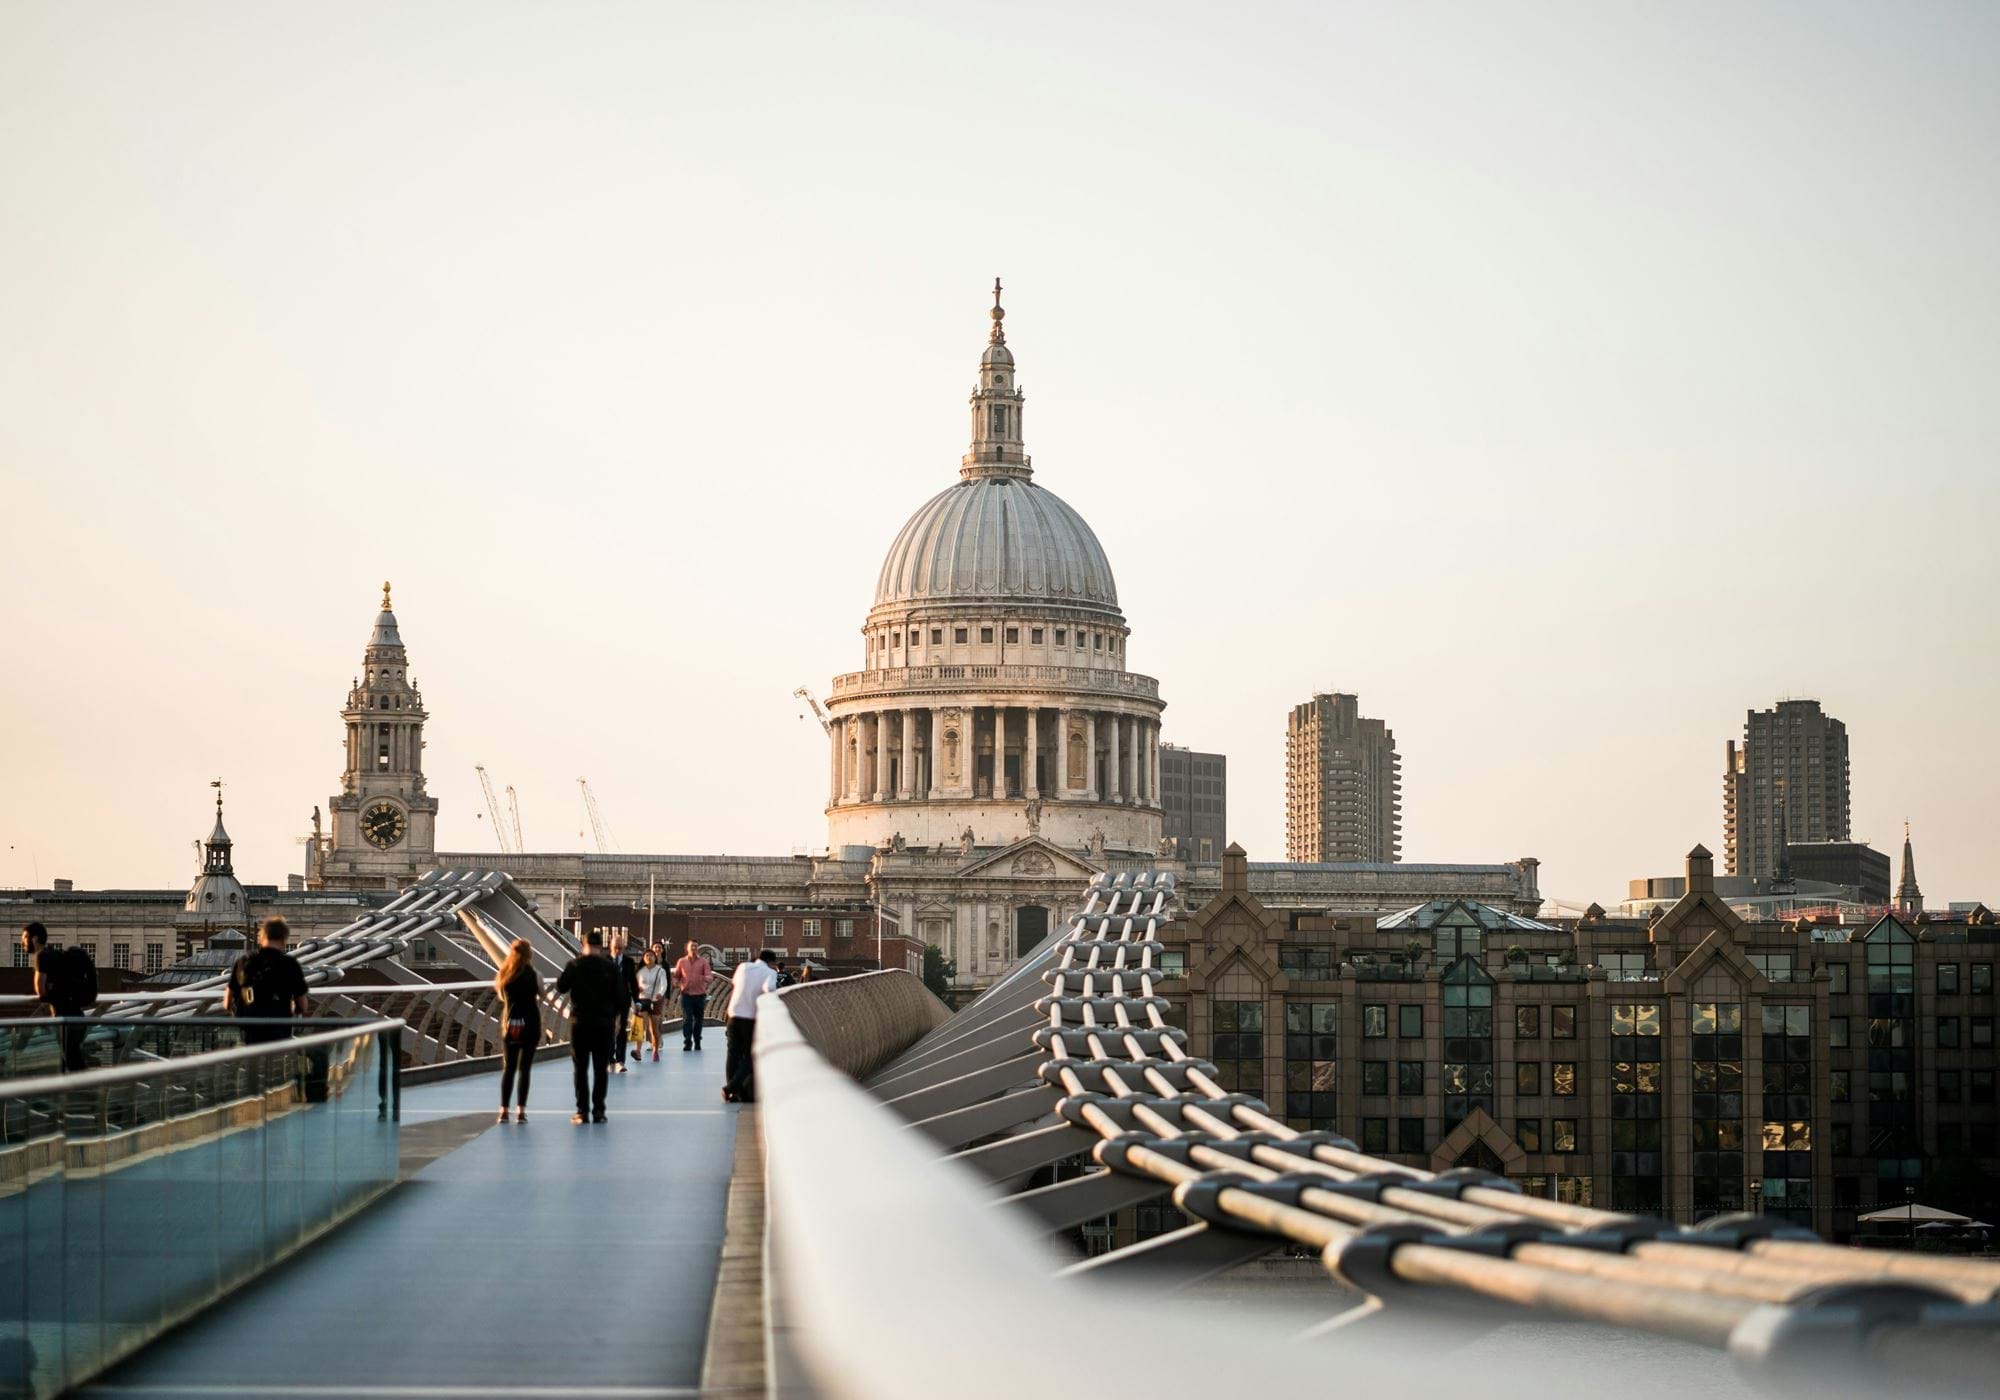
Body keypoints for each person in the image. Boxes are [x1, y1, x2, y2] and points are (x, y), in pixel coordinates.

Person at [556, 929, 619, 1124]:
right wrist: (615, 1018)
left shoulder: (574, 965)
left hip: (580, 1022)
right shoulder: (610, 967)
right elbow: (620, 996)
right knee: (601, 1068)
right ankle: (599, 1111)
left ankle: (582, 1111)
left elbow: (561, 987)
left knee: (580, 1068)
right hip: (603, 1023)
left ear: (583, 945)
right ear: (601, 946)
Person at [224, 917, 309, 1046]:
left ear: (262, 937)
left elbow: (227, 1002)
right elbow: (302, 1005)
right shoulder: (289, 964)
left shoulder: (244, 961)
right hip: (280, 1034)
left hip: (249, 1034)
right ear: (284, 939)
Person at [21, 921, 90, 1072]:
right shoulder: (56, 954)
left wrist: (46, 998)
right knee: (73, 1060)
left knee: (73, 1063)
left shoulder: (42, 956)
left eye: (25, 937)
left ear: (34, 938)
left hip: (65, 1018)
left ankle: (86, 1086)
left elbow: (40, 987)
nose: (23, 942)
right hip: (78, 1016)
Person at [722, 949, 781, 1104]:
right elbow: (770, 989)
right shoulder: (770, 972)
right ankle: (731, 1087)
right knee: (750, 1055)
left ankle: (733, 1093)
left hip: (733, 1014)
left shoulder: (743, 967)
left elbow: (735, 983)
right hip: (749, 1018)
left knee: (732, 1054)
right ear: (771, 962)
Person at [493, 939, 541, 1123]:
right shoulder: (535, 974)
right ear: (529, 955)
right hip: (530, 1024)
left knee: (509, 1068)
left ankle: (504, 1111)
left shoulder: (504, 974)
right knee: (525, 1068)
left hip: (511, 1024)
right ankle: (521, 1111)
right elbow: (543, 994)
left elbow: (502, 997)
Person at [672, 941, 714, 1052]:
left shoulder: (703, 962)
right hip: (686, 995)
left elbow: (710, 976)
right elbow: (676, 976)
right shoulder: (682, 961)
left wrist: (704, 978)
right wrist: (675, 982)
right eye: (692, 946)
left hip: (700, 995)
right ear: (687, 948)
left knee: (699, 1020)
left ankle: (697, 1040)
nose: (694, 948)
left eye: (696, 946)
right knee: (687, 1019)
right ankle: (687, 1041)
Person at [608, 934, 640, 1072]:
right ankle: (610, 1059)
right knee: (609, 1030)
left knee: (621, 1029)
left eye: (620, 948)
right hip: (608, 1001)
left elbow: (633, 982)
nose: (618, 950)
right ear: (611, 947)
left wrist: (637, 1001)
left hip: (623, 1000)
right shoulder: (605, 961)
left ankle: (620, 1061)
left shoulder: (628, 962)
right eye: (616, 947)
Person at [634, 948, 667, 1063]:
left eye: (651, 955)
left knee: (654, 1028)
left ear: (655, 958)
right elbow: (634, 984)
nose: (649, 957)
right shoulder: (640, 971)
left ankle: (655, 1051)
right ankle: (637, 1051)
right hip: (642, 1000)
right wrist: (637, 989)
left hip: (655, 1001)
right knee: (640, 1027)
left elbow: (664, 984)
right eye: (647, 955)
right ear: (643, 958)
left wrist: (660, 993)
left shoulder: (660, 971)